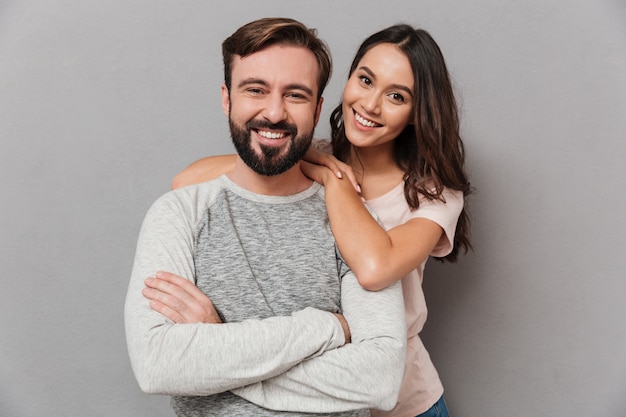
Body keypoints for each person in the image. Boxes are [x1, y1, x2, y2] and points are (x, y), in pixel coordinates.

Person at [170, 24, 472, 417]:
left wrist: (333, 179)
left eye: (396, 96)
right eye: (365, 80)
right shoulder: (314, 155)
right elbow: (185, 181)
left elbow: (374, 268)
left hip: (404, 401)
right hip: (310, 390)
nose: (370, 104)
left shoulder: (432, 193)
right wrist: (306, 158)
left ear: (417, 113)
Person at [124, 17, 407, 417]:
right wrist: (327, 328)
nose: (274, 113)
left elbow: (379, 378)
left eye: (295, 95)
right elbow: (158, 364)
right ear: (227, 99)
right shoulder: (179, 213)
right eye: (255, 90)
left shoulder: (354, 226)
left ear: (318, 108)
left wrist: (217, 345)